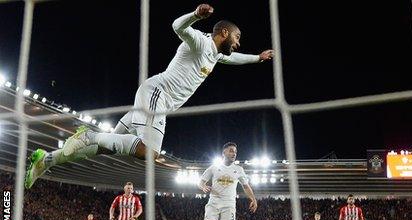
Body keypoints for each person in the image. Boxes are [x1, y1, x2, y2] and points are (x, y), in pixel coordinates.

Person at [25, 3, 274, 189]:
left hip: (154, 99)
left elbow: (234, 58)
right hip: (157, 95)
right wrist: (196, 16)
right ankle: (88, 134)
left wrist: (257, 58)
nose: (239, 43)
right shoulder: (199, 41)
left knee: (103, 148)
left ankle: (46, 160)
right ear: (223, 33)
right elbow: (177, 27)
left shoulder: (216, 54)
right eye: (237, 37)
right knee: (150, 152)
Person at [198, 142, 257, 220]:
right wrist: (203, 186)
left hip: (229, 205)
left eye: (235, 152)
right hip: (213, 203)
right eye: (231, 150)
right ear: (223, 153)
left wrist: (253, 199)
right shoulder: (214, 168)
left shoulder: (239, 169)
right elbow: (201, 181)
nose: (233, 153)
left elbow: (246, 186)